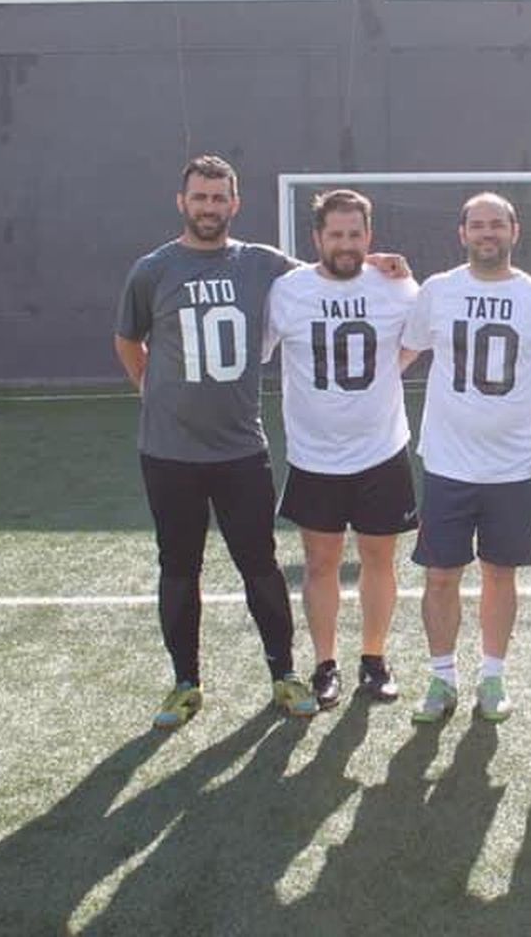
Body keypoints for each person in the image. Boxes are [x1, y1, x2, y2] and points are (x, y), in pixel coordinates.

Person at [113, 154, 317, 728]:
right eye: (199, 197)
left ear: (235, 203)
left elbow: (321, 279)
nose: (209, 207)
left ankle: (283, 672)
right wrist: (155, 395)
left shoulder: (260, 264)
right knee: (179, 566)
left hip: (240, 450)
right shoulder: (152, 270)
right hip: (169, 452)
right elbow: (129, 342)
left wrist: (376, 265)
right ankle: (185, 682)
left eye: (218, 197)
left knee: (261, 565)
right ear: (183, 203)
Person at [399, 192, 531, 723]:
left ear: (514, 231)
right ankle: (441, 678)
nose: (487, 233)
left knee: (502, 574)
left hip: (511, 465)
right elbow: (404, 353)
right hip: (448, 463)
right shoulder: (437, 290)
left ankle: (493, 677)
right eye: (477, 225)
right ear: (462, 234)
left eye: (497, 224)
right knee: (440, 576)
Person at [264, 188, 419, 708]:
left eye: (355, 234)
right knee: (319, 560)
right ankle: (325, 663)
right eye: (336, 234)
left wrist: (385, 375)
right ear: (317, 238)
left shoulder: (395, 286)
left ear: (369, 237)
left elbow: (418, 338)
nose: (347, 244)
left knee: (380, 557)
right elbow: (261, 349)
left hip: (381, 449)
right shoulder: (288, 291)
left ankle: (374, 660)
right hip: (314, 454)